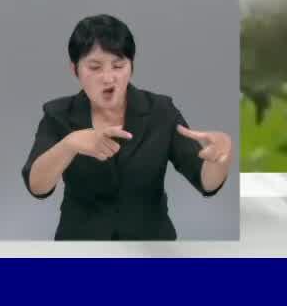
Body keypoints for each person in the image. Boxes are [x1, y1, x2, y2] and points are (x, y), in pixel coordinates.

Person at [20, 14, 235, 240]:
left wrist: (220, 158)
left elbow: (206, 182)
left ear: (131, 67)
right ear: (75, 70)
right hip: (81, 245)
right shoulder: (58, 114)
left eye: (118, 65)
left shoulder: (161, 111)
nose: (108, 77)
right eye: (94, 67)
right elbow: (37, 186)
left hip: (151, 246)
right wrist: (70, 144)